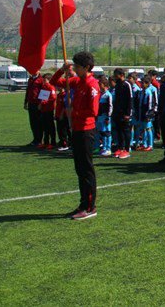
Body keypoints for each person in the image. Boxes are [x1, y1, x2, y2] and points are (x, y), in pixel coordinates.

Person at [51, 51, 100, 220]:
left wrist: (75, 111)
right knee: (79, 169)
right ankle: (83, 203)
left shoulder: (91, 84)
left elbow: (93, 111)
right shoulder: (77, 81)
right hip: (77, 130)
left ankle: (90, 206)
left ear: (86, 67)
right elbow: (55, 82)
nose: (75, 69)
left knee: (86, 170)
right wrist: (62, 69)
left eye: (77, 66)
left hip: (86, 130)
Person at [112, 68, 133, 159]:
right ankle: (120, 148)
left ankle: (127, 150)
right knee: (119, 130)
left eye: (116, 75)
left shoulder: (127, 84)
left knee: (126, 130)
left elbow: (130, 100)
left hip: (125, 113)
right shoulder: (117, 85)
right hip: (118, 112)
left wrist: (128, 113)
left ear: (121, 75)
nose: (115, 77)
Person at [38, 73, 57, 149]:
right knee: (44, 126)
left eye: (45, 79)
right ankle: (46, 142)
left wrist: (43, 103)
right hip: (44, 109)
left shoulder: (50, 87)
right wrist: (40, 103)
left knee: (50, 127)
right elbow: (42, 97)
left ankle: (53, 142)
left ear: (49, 80)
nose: (43, 80)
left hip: (49, 109)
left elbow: (53, 98)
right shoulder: (44, 87)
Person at [25, 72, 43, 147]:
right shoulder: (30, 79)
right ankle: (35, 139)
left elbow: (44, 92)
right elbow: (28, 91)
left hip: (38, 104)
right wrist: (25, 102)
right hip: (31, 103)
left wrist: (41, 103)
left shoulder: (41, 80)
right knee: (32, 122)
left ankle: (39, 140)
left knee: (38, 122)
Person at [97, 77, 113, 156]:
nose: (99, 85)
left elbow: (110, 107)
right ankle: (104, 147)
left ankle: (108, 148)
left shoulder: (108, 95)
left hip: (105, 117)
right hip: (100, 116)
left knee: (107, 132)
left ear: (104, 85)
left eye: (100, 84)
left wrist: (108, 117)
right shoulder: (100, 94)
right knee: (102, 132)